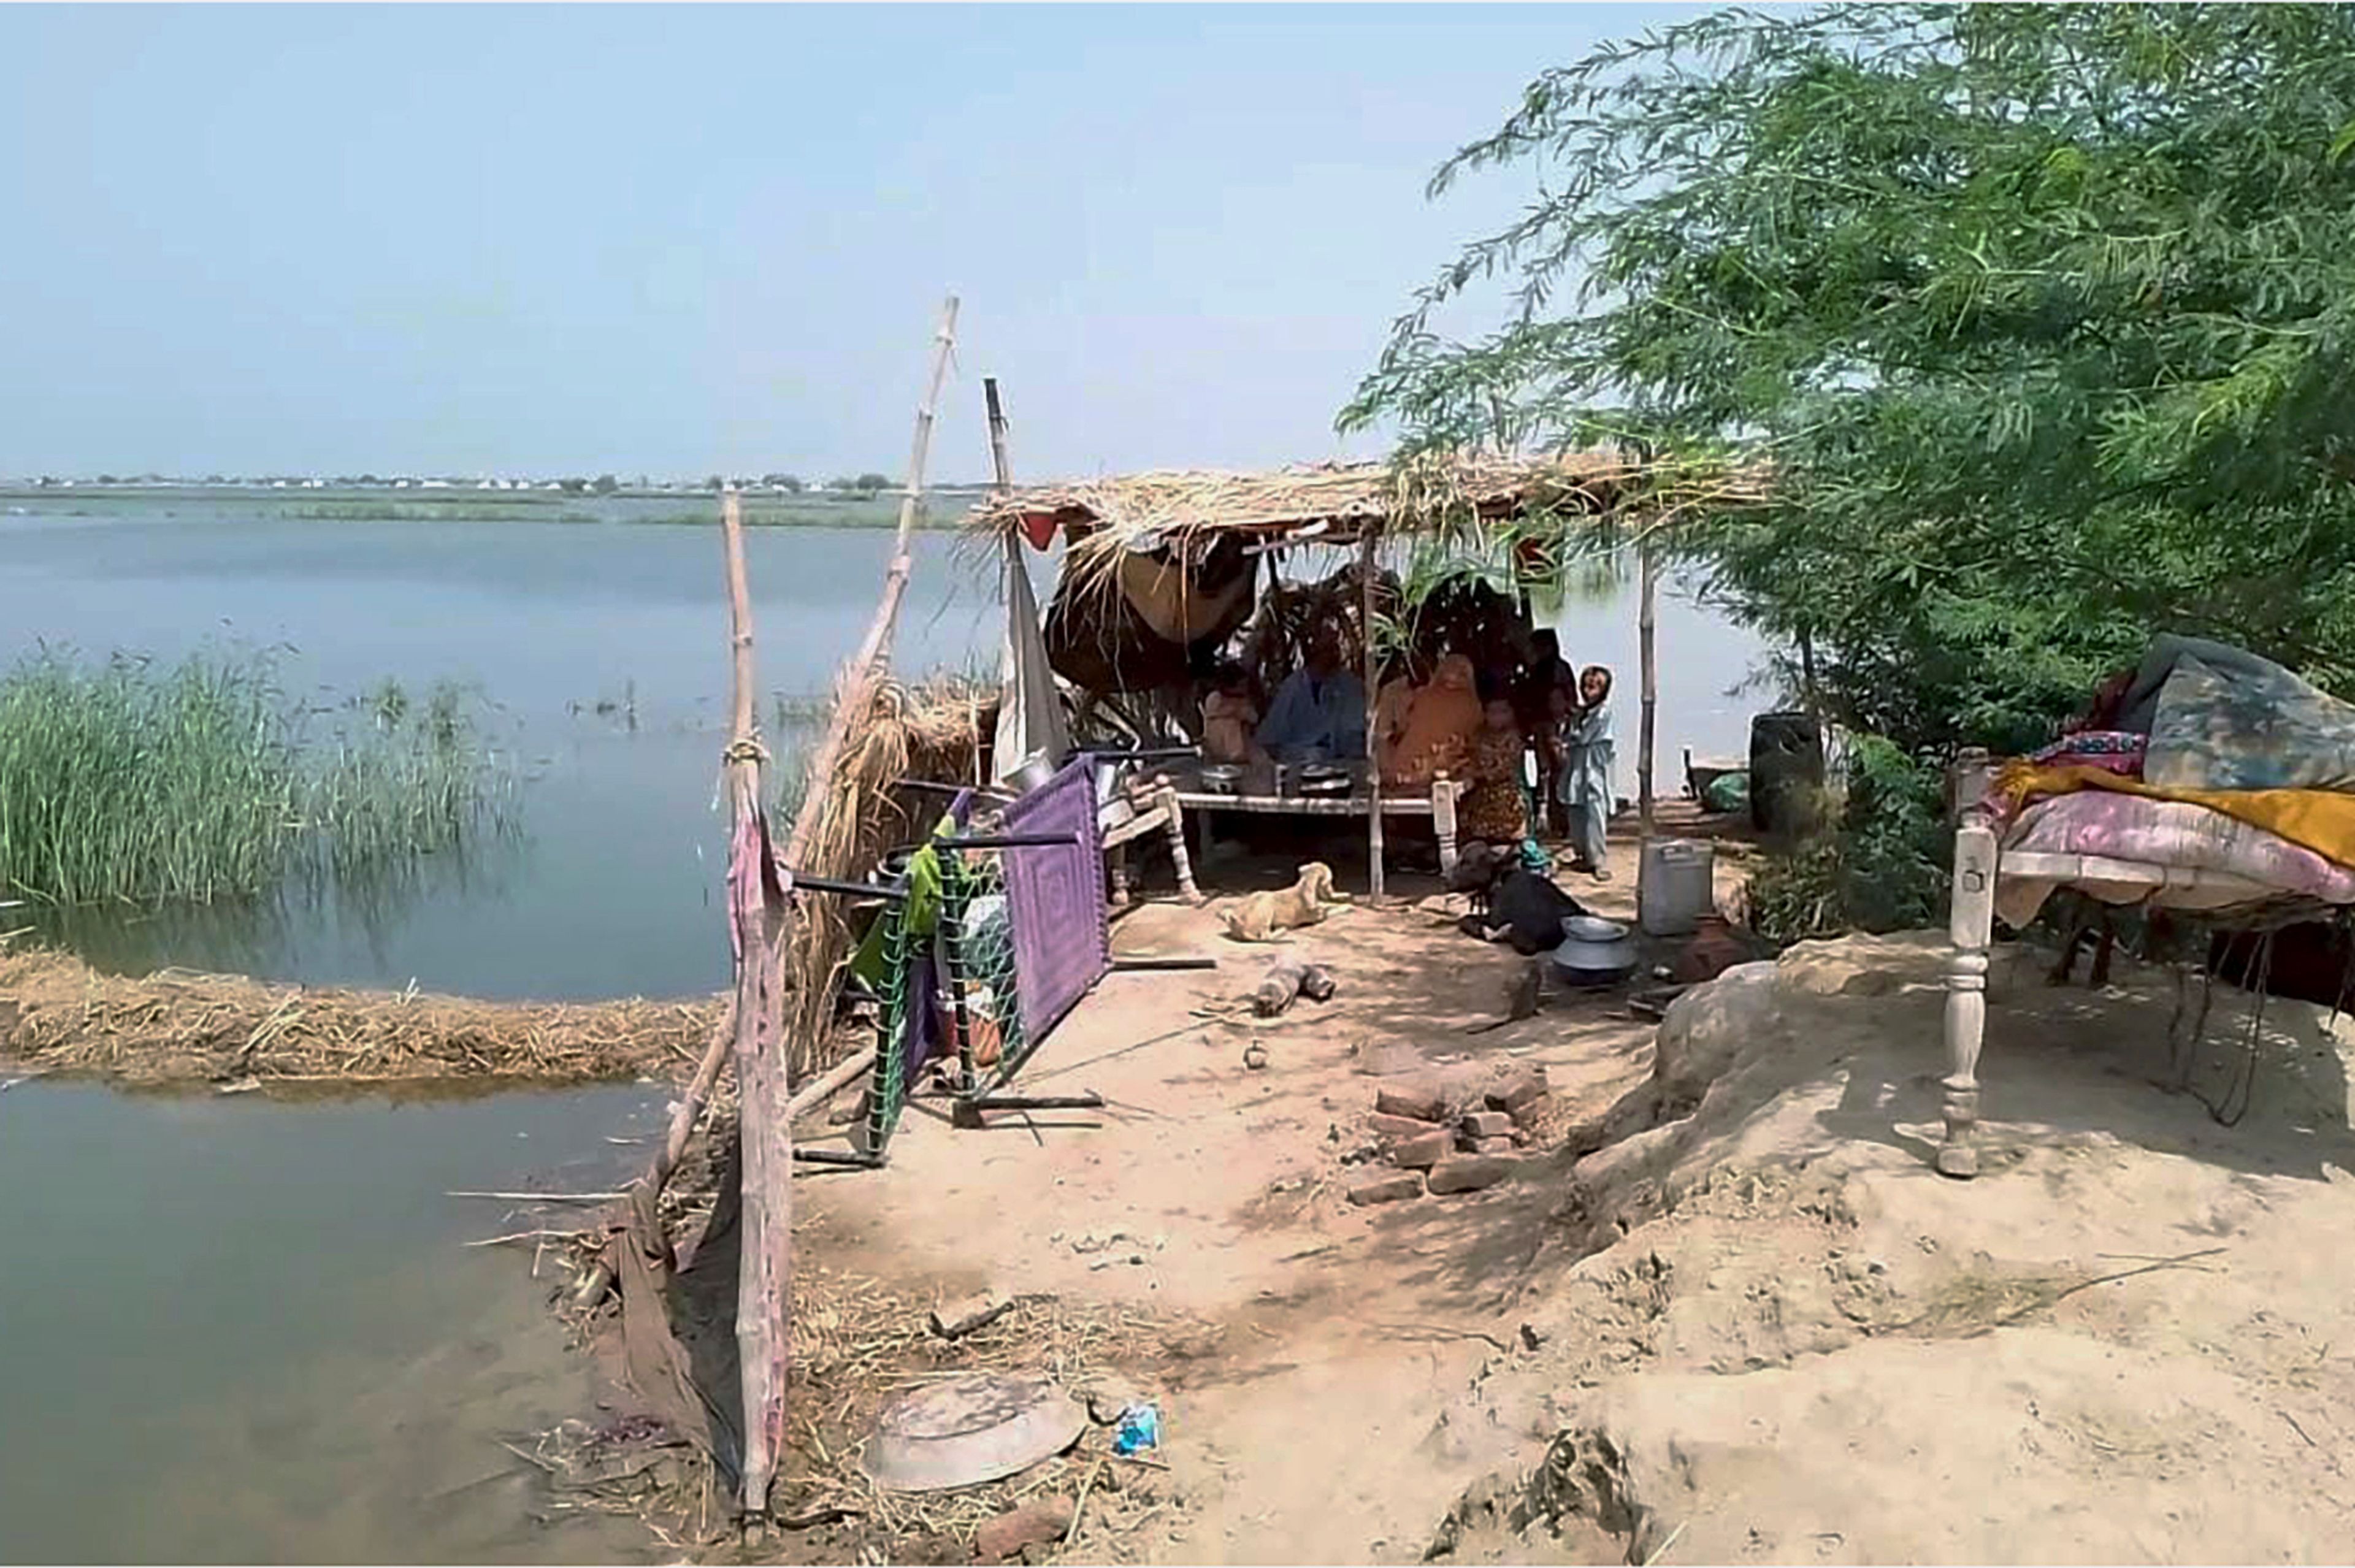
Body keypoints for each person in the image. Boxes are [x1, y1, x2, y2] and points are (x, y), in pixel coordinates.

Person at [1255, 630, 1366, 762]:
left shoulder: (1349, 683)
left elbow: (1357, 726)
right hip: (1300, 754)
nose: (1333, 655)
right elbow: (1274, 731)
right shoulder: (1294, 685)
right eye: (1327, 650)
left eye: (1335, 649)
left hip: (1342, 757)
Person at [1378, 651, 1482, 787]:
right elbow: (1473, 737)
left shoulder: (1421, 696)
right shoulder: (1473, 705)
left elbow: (1401, 727)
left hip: (1406, 768)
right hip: (1441, 770)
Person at [1555, 664, 1617, 878]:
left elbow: (1583, 737)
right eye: (1587, 686)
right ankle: (1582, 854)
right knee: (1576, 810)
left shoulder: (1602, 713)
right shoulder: (1581, 712)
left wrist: (1568, 736)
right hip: (1577, 764)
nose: (1590, 691)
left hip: (1594, 766)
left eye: (1596, 687)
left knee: (1595, 811)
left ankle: (1598, 860)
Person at [1458, 679, 1531, 847]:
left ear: (1511, 713)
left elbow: (1502, 769)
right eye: (1492, 712)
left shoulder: (1514, 738)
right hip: (1481, 795)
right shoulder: (1478, 735)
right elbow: (1468, 757)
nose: (1497, 716)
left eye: (1503, 711)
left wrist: (1476, 775)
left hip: (1506, 796)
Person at [1200, 660, 1263, 766]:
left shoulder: (1243, 702)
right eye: (1242, 685)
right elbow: (1216, 712)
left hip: (1241, 750)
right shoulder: (1215, 698)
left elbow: (1253, 717)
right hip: (1219, 746)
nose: (1245, 688)